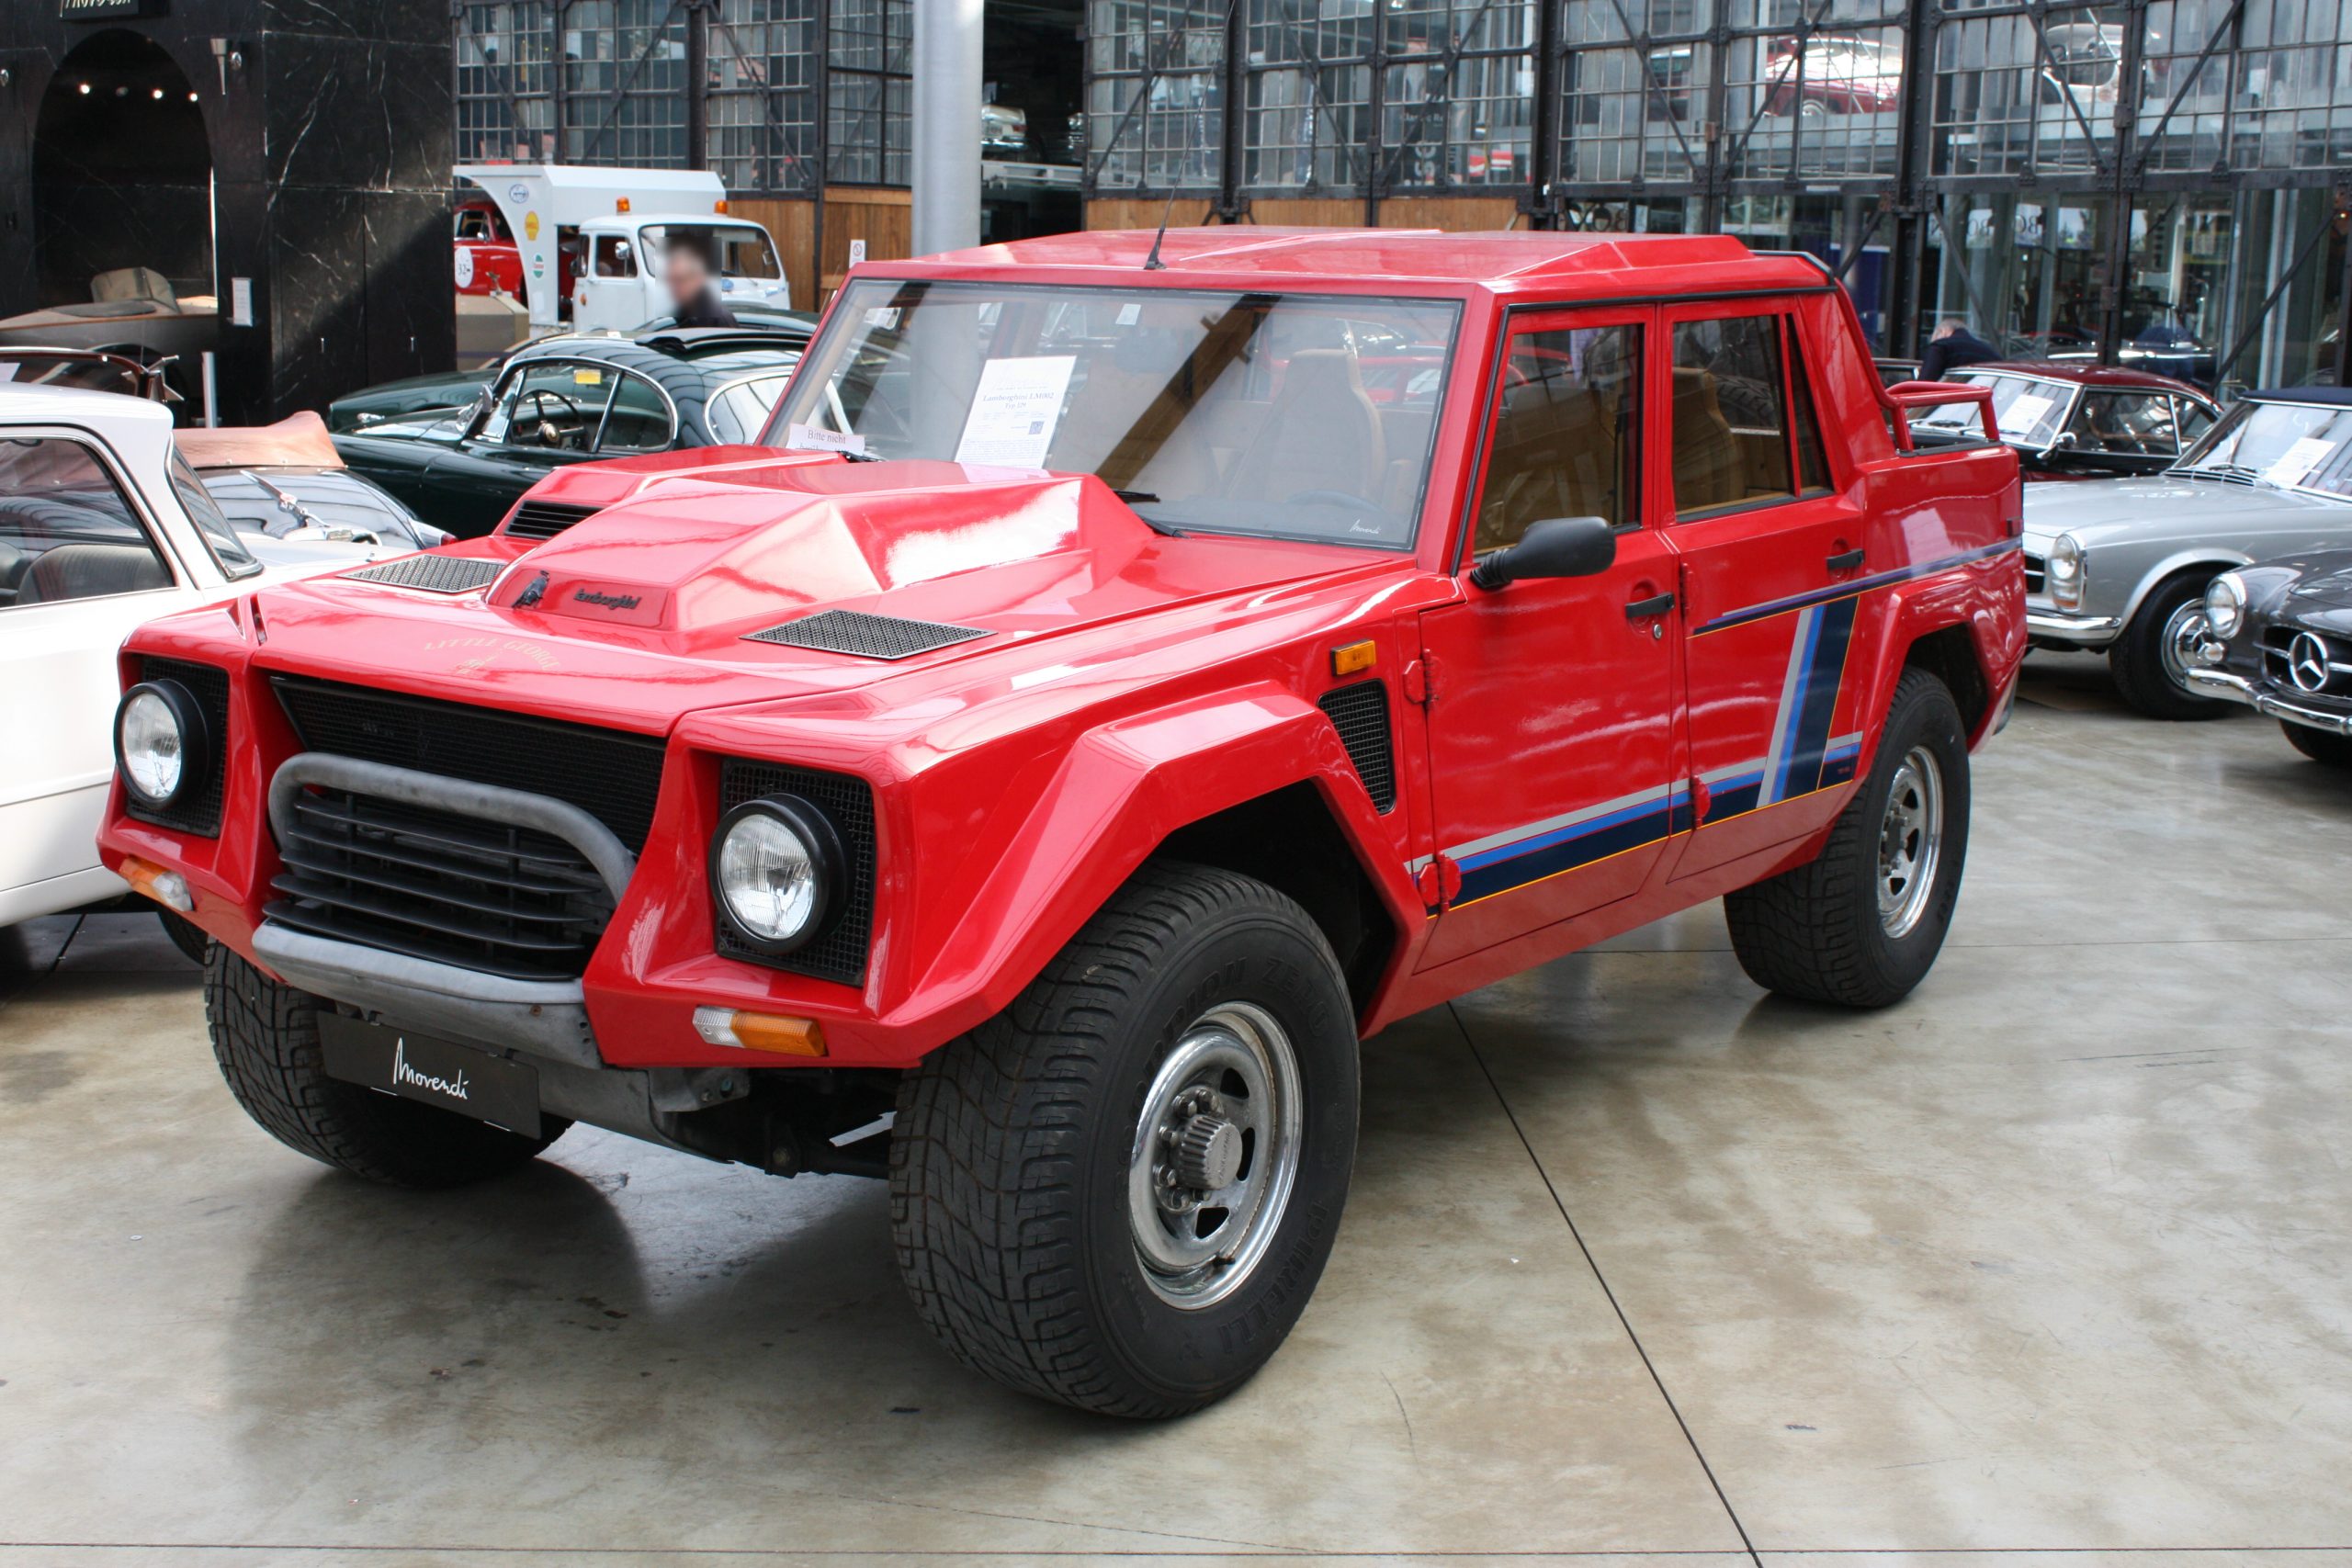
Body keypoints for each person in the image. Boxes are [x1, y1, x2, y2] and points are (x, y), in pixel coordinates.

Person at [663, 234, 737, 329]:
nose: (674, 286)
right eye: (671, 280)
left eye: (680, 280)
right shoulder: (677, 319)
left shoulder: (719, 321)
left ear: (698, 279)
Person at [1919, 318, 1999, 382]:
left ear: (1943, 331)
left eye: (1935, 337)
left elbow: (1923, 385)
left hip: (1954, 400)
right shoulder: (1991, 353)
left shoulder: (1941, 346)